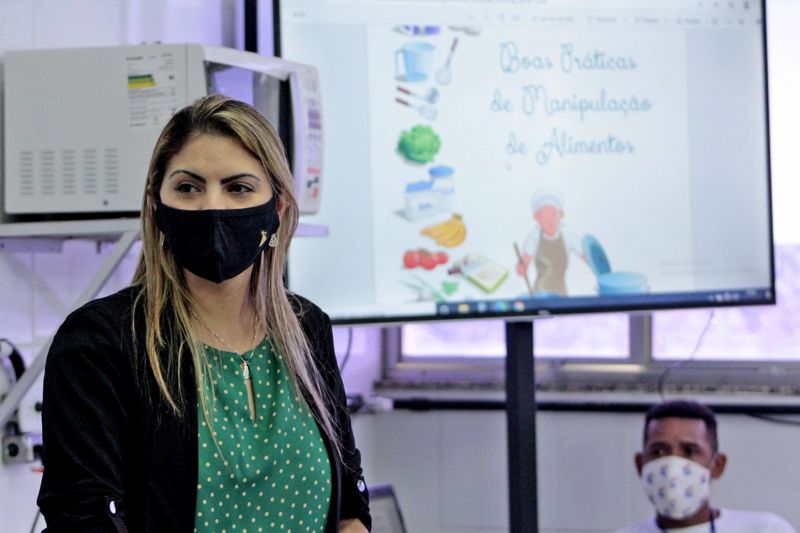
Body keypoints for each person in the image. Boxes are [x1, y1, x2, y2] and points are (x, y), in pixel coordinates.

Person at [37, 95, 371, 532]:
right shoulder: (101, 343)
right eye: (188, 188)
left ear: (279, 208)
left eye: (238, 188)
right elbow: (82, 517)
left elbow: (349, 510)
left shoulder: (306, 329)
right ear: (156, 207)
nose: (212, 207)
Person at [615, 399, 795, 533]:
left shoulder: (765, 530)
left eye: (689, 451)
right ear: (640, 464)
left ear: (717, 465)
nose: (672, 466)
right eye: (659, 452)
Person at [515, 189, 584, 297]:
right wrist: (522, 266)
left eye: (553, 215)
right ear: (537, 218)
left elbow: (589, 257)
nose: (549, 221)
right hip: (539, 295)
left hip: (561, 296)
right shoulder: (534, 237)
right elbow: (524, 263)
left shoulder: (569, 237)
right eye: (544, 216)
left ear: (561, 215)